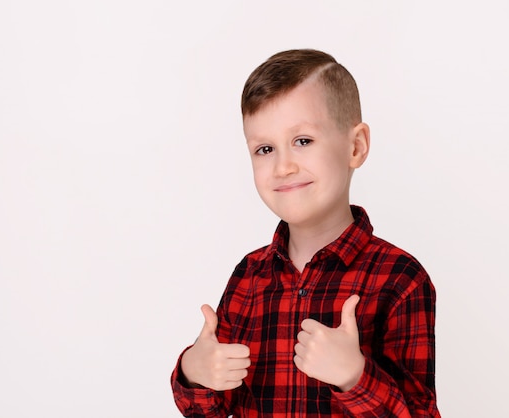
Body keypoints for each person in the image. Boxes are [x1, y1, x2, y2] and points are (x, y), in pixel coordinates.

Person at [170, 49, 440, 417]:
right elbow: (211, 409)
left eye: (303, 141)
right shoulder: (248, 277)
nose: (283, 166)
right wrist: (194, 371)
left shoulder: (400, 279)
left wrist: (354, 376)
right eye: (265, 149)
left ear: (355, 146)